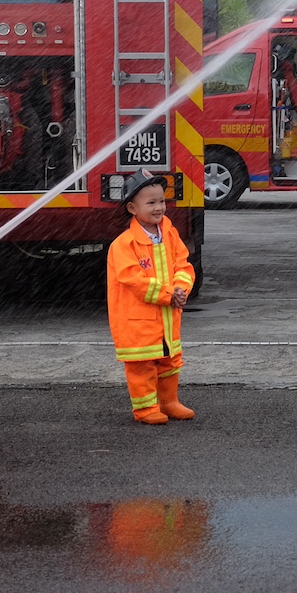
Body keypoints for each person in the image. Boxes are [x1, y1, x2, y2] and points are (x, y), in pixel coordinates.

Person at [107, 170, 196, 425]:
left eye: (162, 201)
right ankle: (146, 409)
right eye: (151, 202)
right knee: (142, 366)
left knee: (169, 361)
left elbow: (184, 266)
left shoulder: (170, 234)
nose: (159, 208)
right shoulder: (123, 245)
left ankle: (169, 402)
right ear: (132, 208)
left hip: (167, 317)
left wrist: (181, 291)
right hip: (137, 321)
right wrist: (171, 295)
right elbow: (133, 280)